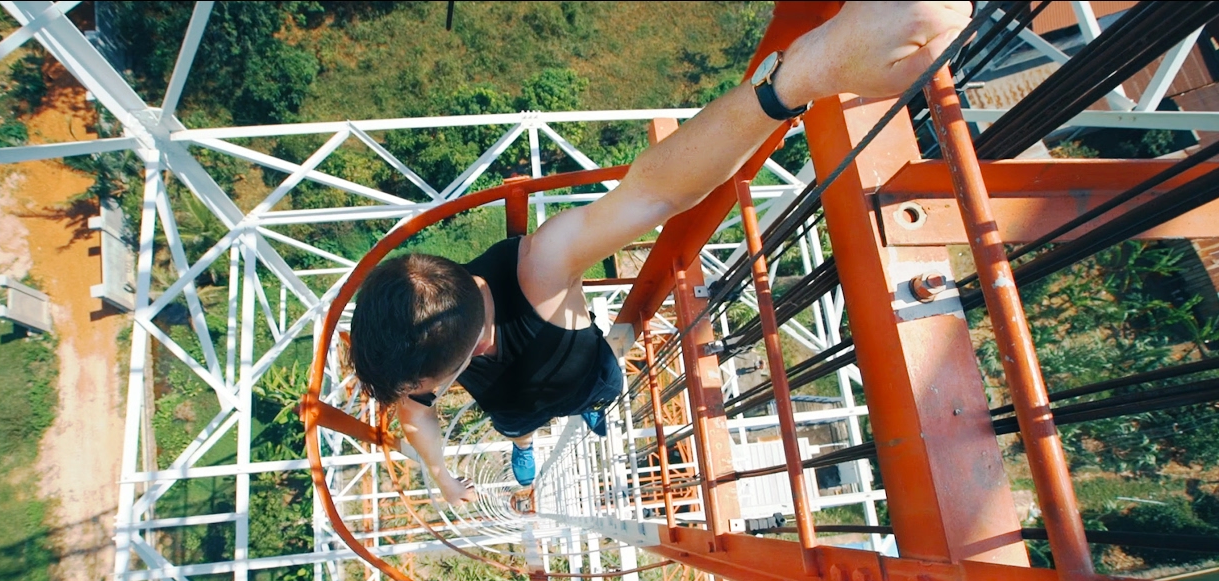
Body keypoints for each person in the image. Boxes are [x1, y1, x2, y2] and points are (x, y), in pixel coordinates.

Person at [350, 1, 973, 506]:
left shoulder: (541, 266)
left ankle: (585, 410)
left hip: (589, 372)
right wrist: (440, 475)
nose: (442, 390)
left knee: (599, 392)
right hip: (517, 409)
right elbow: (413, 411)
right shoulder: (424, 342)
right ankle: (527, 441)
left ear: (473, 344)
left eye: (450, 377)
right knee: (521, 424)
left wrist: (796, 81)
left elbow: (654, 192)